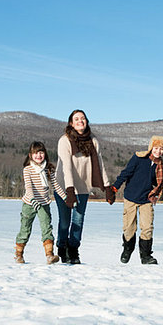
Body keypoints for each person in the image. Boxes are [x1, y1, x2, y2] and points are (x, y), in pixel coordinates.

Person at [55, 109, 113, 264]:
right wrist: (69, 190)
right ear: (71, 123)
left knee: (78, 220)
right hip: (63, 187)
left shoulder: (93, 140)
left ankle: (73, 250)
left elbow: (100, 164)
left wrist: (107, 187)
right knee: (65, 221)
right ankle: (61, 247)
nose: (80, 121)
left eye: (83, 118)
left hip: (83, 187)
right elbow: (66, 167)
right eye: (76, 119)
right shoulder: (64, 140)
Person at [110, 136, 163, 265]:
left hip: (146, 199)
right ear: (151, 148)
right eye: (156, 148)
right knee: (129, 227)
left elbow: (159, 182)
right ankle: (128, 249)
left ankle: (145, 256)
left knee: (147, 227)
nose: (158, 151)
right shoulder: (139, 158)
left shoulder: (161, 165)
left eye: (161, 149)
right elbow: (126, 173)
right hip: (131, 197)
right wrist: (115, 187)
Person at [15, 141, 67, 265]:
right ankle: (18, 254)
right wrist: (33, 200)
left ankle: (49, 255)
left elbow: (56, 186)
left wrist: (65, 198)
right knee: (25, 229)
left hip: (44, 203)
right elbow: (29, 187)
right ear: (30, 155)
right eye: (35, 153)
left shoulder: (48, 169)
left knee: (47, 228)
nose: (38, 155)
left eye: (41, 152)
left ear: (45, 154)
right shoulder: (28, 169)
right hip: (29, 204)